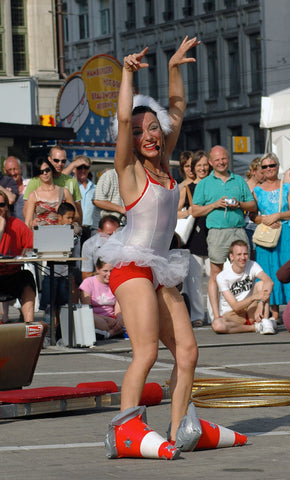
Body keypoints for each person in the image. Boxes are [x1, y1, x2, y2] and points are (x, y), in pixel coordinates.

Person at [99, 37, 200, 458]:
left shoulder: (166, 161)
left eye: (152, 127)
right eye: (139, 132)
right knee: (146, 351)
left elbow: (176, 107)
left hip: (161, 267)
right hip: (131, 267)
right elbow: (124, 122)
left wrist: (175, 65)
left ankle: (178, 428)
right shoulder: (129, 170)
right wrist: (127, 74)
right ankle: (125, 430)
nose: (147, 135)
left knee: (189, 352)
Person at [192, 145, 256, 321]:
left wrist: (239, 204)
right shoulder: (204, 183)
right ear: (211, 162)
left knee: (244, 271)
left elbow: (252, 206)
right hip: (217, 232)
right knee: (216, 272)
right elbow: (195, 211)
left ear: (228, 159)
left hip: (238, 230)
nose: (221, 162)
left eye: (224, 159)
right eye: (217, 160)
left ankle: (246, 313)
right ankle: (215, 314)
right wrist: (214, 204)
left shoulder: (239, 180)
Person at [251, 152, 290, 321]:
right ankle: (275, 313)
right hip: (267, 236)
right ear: (261, 170)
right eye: (265, 166)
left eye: (272, 165)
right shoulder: (256, 190)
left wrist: (277, 216)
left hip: (286, 234)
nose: (269, 169)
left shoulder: (287, 187)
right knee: (270, 271)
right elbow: (252, 216)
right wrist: (265, 220)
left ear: (278, 167)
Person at [177, 150, 211, 327]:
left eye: (205, 165)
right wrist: (187, 212)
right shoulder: (187, 188)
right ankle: (197, 316)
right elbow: (174, 213)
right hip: (193, 236)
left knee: (215, 278)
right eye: (199, 165)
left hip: (212, 234)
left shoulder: (215, 184)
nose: (202, 168)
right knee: (194, 281)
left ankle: (215, 315)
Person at [213, 240, 275, 334]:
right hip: (233, 313)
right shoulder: (222, 276)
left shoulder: (252, 265)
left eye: (245, 254)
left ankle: (265, 321)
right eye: (239, 254)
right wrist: (255, 297)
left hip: (251, 309)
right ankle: (255, 327)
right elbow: (235, 306)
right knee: (217, 325)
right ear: (231, 256)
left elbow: (269, 282)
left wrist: (261, 302)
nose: (243, 257)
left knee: (262, 284)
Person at [39, 202, 78, 338]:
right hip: (50, 274)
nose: (70, 221)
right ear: (59, 217)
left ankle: (61, 333)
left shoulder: (74, 234)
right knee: (49, 306)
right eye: (68, 218)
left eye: (72, 218)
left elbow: (74, 255)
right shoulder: (49, 232)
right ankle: (48, 333)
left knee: (62, 303)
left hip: (64, 274)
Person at [0, 191, 35, 324]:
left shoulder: (17, 224)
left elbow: (31, 245)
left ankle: (29, 325)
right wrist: (1, 228)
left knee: (27, 277)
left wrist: (27, 250)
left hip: (12, 274)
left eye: (1, 204)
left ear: (7, 207)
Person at [23, 146, 82, 223]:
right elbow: (26, 210)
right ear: (49, 159)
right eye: (56, 160)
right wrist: (33, 223)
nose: (60, 164)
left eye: (63, 161)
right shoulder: (35, 181)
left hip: (62, 231)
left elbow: (78, 211)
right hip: (41, 230)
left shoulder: (70, 182)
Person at [24, 159, 76, 229]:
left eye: (47, 170)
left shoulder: (64, 192)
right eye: (41, 172)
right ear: (37, 175)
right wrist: (33, 224)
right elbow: (28, 222)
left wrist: (62, 211)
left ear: (52, 170)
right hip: (41, 234)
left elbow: (76, 216)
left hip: (61, 233)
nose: (45, 173)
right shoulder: (33, 195)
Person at [79, 258, 124, 339]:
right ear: (97, 269)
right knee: (93, 319)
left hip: (112, 318)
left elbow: (118, 310)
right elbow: (87, 309)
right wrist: (106, 319)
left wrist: (119, 319)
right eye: (105, 271)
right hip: (96, 317)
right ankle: (112, 332)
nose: (109, 274)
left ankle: (108, 334)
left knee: (125, 318)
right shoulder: (88, 282)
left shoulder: (116, 282)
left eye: (111, 271)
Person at [81, 214, 120, 280]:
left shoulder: (126, 242)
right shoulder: (89, 245)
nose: (113, 238)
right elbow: (86, 275)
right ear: (99, 231)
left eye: (116, 234)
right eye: (109, 235)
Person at [71, 155, 97, 245]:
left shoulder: (95, 188)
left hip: (91, 230)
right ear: (74, 169)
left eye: (86, 167)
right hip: (74, 228)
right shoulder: (68, 187)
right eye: (79, 167)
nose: (83, 170)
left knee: (89, 258)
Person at [244, 157, 264, 257]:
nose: (264, 175)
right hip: (246, 224)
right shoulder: (244, 186)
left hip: (261, 225)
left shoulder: (264, 186)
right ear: (253, 171)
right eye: (261, 172)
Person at [3, 156, 29, 221]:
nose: (13, 173)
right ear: (4, 171)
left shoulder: (30, 185)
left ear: (21, 168)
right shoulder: (3, 189)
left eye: (15, 169)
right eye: (9, 170)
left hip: (29, 228)